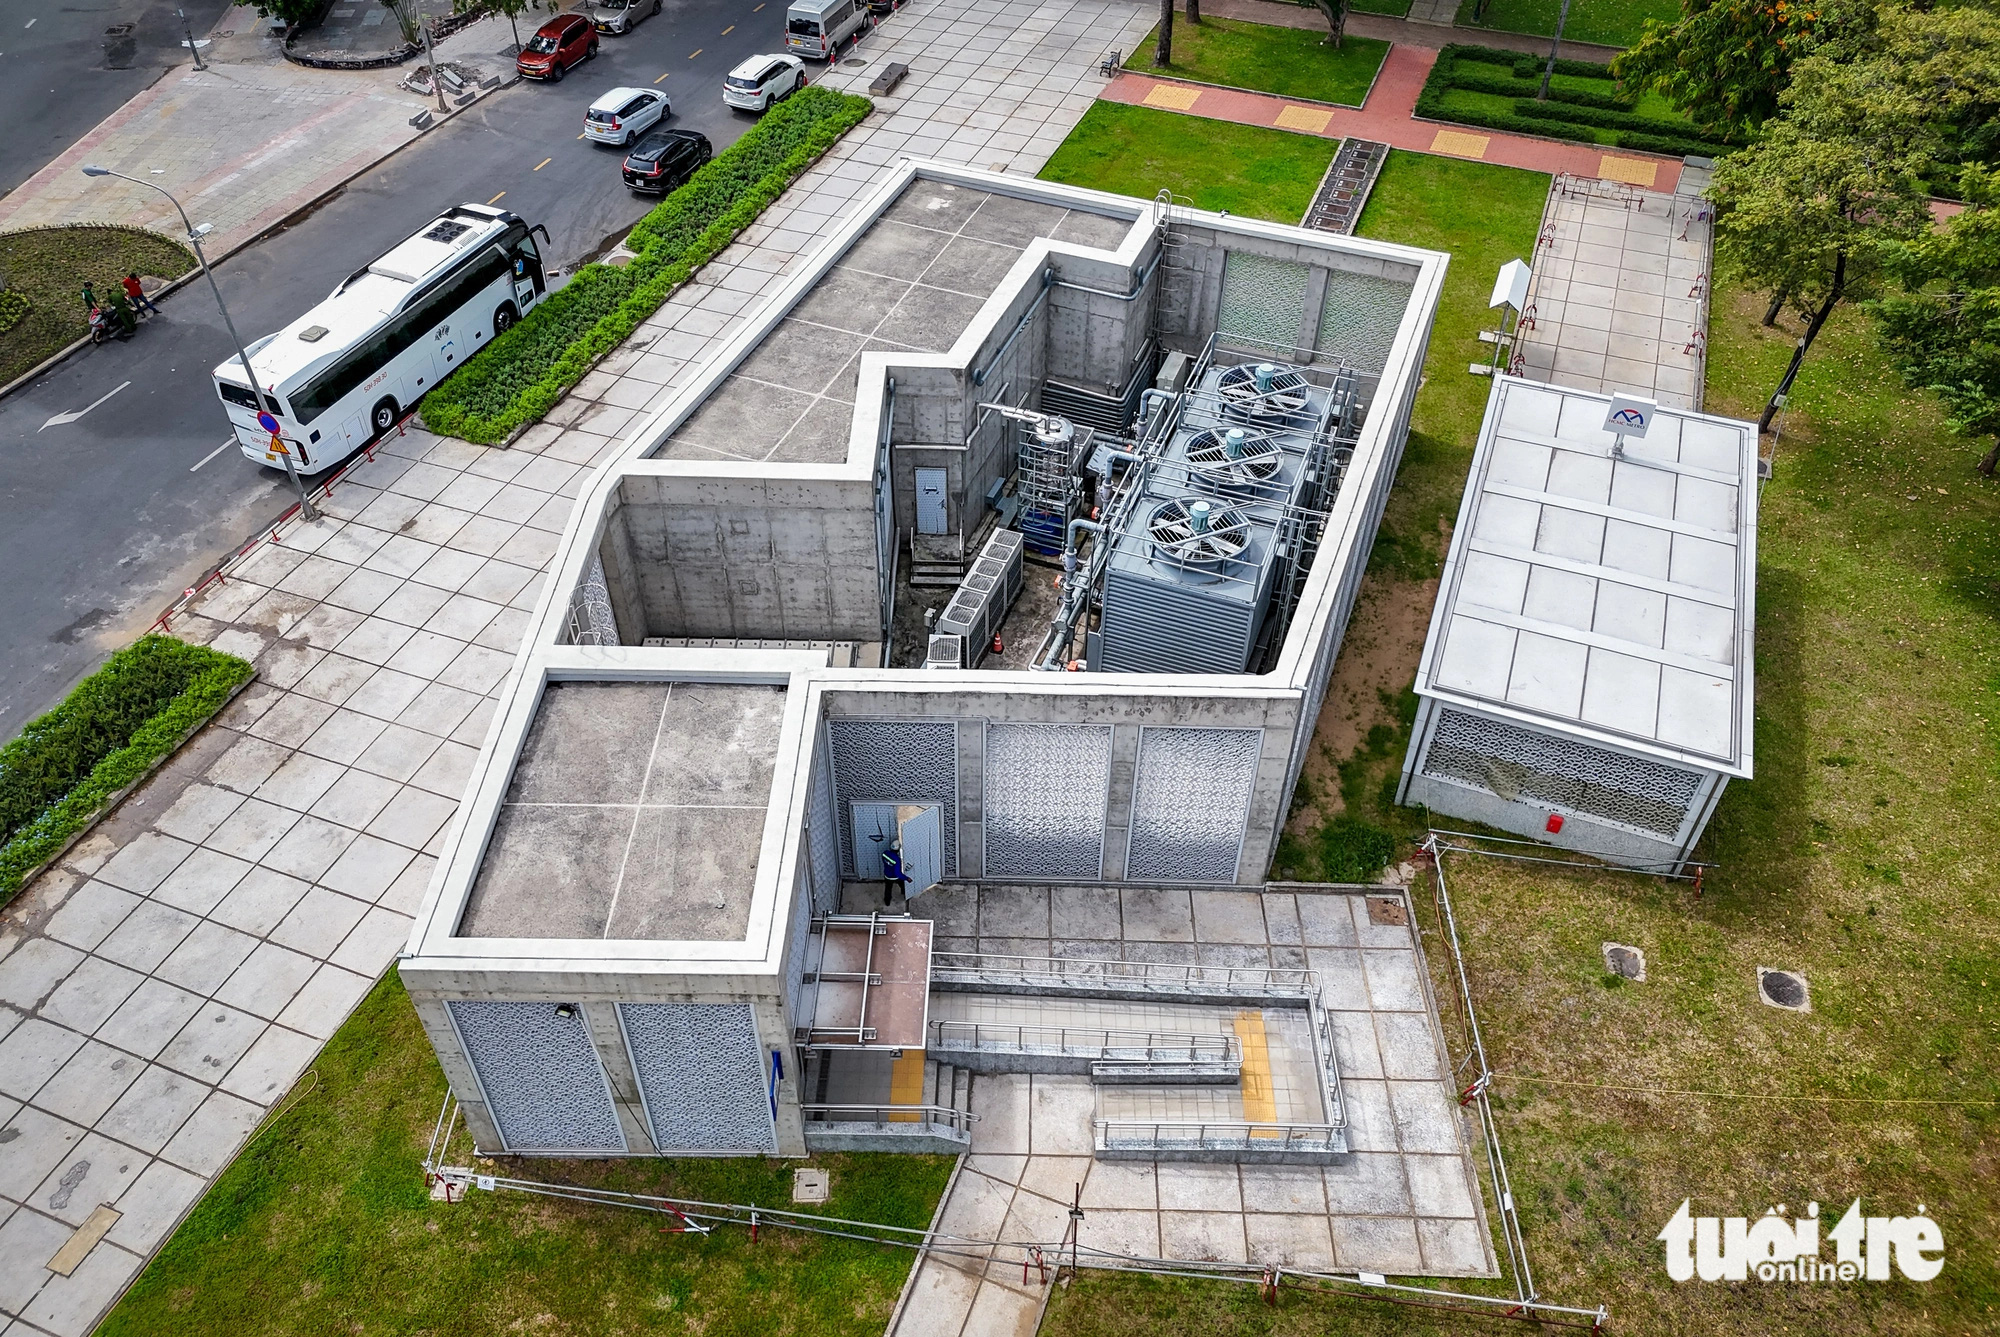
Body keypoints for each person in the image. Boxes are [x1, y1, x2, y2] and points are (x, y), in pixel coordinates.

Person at [880, 839, 908, 907]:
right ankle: (904, 893)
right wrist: (906, 878)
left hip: (887, 876)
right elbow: (897, 873)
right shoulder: (897, 860)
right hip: (895, 877)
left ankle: (887, 902)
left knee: (888, 889)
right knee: (902, 885)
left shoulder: (885, 853)